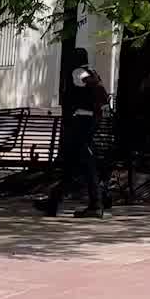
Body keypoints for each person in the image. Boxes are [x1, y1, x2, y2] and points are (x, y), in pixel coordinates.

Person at [39, 48, 109, 218]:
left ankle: (95, 204)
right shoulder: (91, 71)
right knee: (73, 163)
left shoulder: (79, 72)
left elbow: (85, 82)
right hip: (87, 122)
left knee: (85, 162)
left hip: (81, 124)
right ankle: (54, 200)